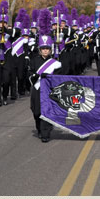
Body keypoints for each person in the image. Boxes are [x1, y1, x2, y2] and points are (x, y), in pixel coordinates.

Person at [29, 9, 62, 142]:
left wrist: (51, 79)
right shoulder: (34, 60)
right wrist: (36, 76)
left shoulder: (55, 63)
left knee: (47, 112)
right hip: (37, 89)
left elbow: (59, 78)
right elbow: (30, 75)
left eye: (47, 48)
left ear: (50, 49)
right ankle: (40, 128)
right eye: (43, 48)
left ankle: (45, 134)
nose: (45, 51)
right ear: (40, 49)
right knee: (36, 112)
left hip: (49, 91)